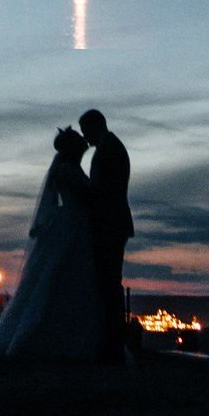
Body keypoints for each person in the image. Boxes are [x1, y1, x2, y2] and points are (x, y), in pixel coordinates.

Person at [0, 126, 104, 363]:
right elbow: (88, 195)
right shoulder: (68, 170)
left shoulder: (66, 168)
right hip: (73, 225)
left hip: (72, 224)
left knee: (64, 279)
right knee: (63, 277)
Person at [78, 108, 133, 366]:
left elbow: (103, 190)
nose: (84, 137)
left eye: (85, 130)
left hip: (110, 224)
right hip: (111, 223)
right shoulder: (111, 147)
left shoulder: (109, 149)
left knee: (109, 285)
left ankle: (113, 346)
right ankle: (112, 343)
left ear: (96, 125)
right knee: (108, 284)